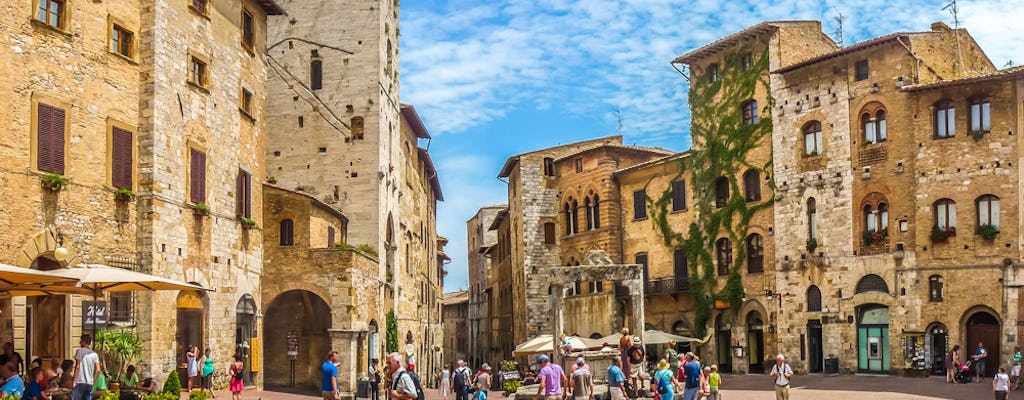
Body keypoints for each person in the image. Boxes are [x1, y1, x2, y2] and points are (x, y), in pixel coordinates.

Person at [71, 334, 100, 400]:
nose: (80, 342)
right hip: (89, 382)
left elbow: (77, 366)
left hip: (80, 381)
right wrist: (93, 381)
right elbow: (98, 370)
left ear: (84, 341)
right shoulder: (94, 354)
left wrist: (74, 381)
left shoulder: (79, 351)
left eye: (81, 341)